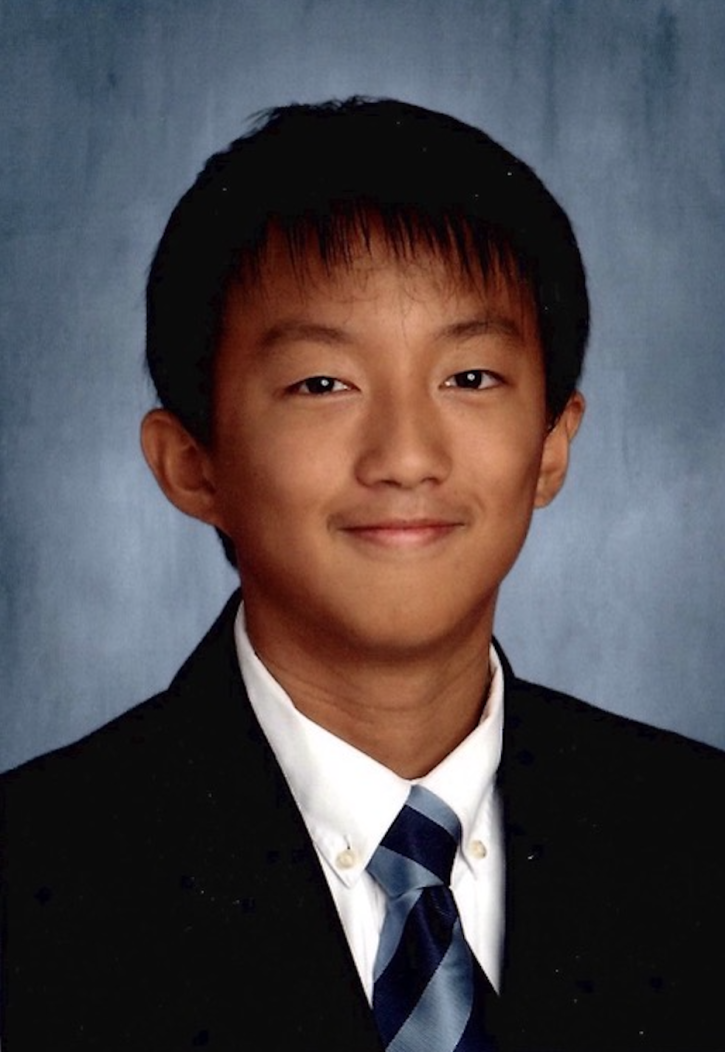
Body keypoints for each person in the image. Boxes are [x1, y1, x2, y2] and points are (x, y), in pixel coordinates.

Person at [1, 98, 723, 1052]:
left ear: (551, 448)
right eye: (321, 384)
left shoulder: (697, 838)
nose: (405, 456)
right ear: (192, 464)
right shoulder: (32, 879)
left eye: (469, 378)